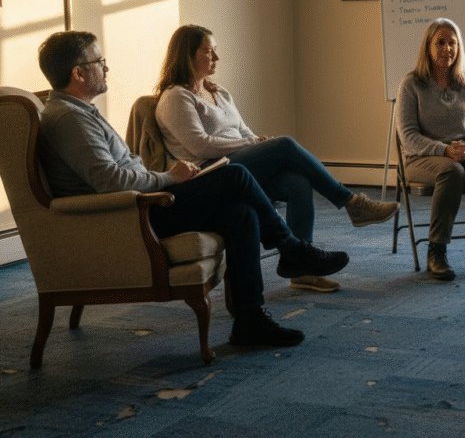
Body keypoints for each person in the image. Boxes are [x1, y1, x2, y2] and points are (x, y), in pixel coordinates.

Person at [37, 31, 351, 348]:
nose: (106, 68)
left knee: (241, 214)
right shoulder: (68, 119)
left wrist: (164, 177)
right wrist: (169, 178)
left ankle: (249, 320)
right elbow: (110, 181)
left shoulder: (79, 112)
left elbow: (119, 171)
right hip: (131, 215)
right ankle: (292, 249)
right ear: (78, 73)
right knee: (235, 175)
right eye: (99, 61)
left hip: (140, 203)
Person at [154, 24, 398, 293]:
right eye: (208, 52)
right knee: (285, 145)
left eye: (216, 51)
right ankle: (351, 202)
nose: (216, 58)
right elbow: (200, 146)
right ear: (187, 55)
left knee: (297, 183)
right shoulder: (176, 97)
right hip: (209, 175)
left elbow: (242, 130)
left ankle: (300, 269)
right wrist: (252, 143)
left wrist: (256, 141)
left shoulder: (218, 91)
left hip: (237, 164)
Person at [394, 18, 465, 281]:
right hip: (423, 158)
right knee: (452, 172)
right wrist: (444, 150)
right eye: (440, 42)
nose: (447, 48)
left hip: (464, 154)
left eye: (452, 43)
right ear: (428, 47)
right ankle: (437, 251)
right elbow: (408, 136)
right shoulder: (411, 85)